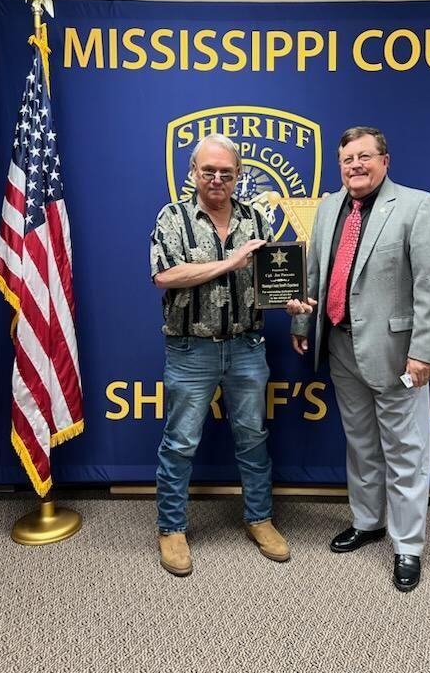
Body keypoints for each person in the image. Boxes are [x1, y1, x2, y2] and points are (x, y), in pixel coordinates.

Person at [288, 126, 430, 592]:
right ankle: (368, 522)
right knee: (360, 443)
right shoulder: (326, 208)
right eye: (347, 159)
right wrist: (303, 325)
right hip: (340, 345)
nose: (355, 166)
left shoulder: (417, 206)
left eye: (364, 157)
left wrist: (423, 352)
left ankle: (407, 546)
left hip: (397, 353)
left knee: (405, 450)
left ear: (385, 160)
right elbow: (315, 273)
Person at [150, 133, 290, 576]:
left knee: (253, 438)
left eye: (225, 173)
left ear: (238, 175)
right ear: (193, 173)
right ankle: (171, 528)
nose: (216, 179)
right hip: (191, 348)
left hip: (247, 345)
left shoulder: (256, 219)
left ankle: (260, 518)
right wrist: (231, 262)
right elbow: (166, 276)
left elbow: (269, 281)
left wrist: (291, 301)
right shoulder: (172, 217)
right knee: (180, 442)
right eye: (207, 170)